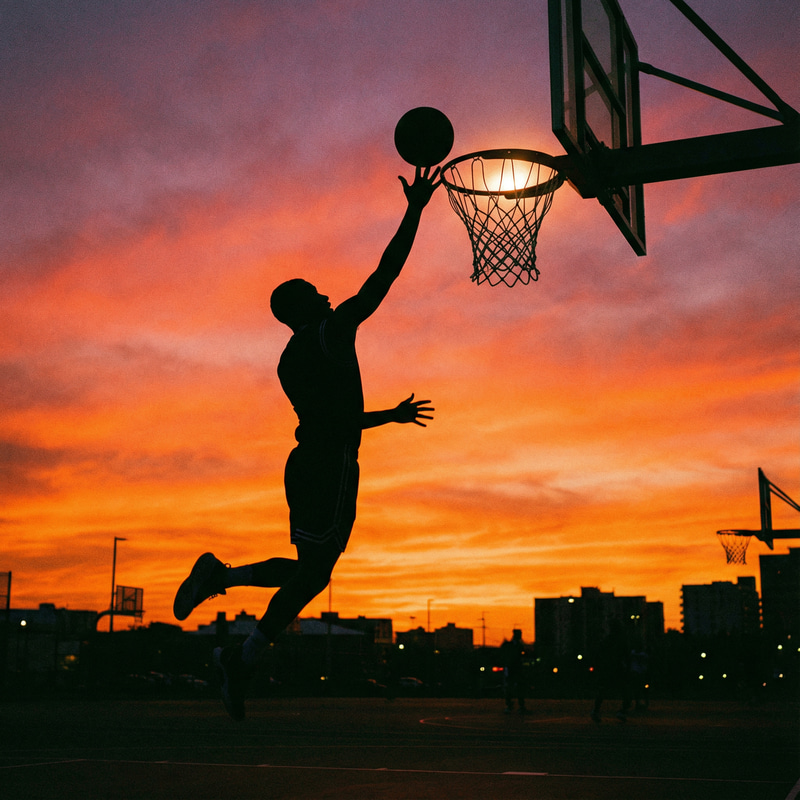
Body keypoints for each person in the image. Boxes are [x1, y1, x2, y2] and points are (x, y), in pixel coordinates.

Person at [173, 166, 440, 719]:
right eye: (315, 292)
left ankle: (234, 634)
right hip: (329, 463)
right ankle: (230, 621)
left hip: (310, 461)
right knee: (314, 573)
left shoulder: (291, 360)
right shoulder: (330, 332)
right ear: (301, 308)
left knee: (308, 570)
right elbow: (381, 279)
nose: (326, 293)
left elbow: (329, 417)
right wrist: (414, 211)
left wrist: (385, 415)